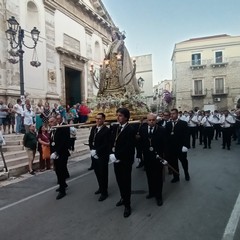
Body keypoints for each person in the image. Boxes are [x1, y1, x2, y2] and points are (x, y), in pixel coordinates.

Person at [110, 108, 135, 218]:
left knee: (126, 182)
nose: (118, 117)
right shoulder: (116, 128)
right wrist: (111, 153)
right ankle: (122, 197)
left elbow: (128, 147)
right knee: (119, 181)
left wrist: (117, 155)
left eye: (120, 115)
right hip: (116, 160)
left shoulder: (130, 129)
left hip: (125, 160)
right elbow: (112, 141)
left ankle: (127, 205)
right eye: (117, 115)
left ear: (126, 117)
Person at [98, 28, 140, 96]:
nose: (113, 36)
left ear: (117, 35)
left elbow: (121, 51)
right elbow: (109, 54)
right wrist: (106, 57)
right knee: (109, 75)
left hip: (118, 62)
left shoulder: (120, 42)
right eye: (112, 34)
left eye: (114, 34)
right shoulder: (111, 45)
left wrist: (120, 48)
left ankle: (122, 86)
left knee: (118, 74)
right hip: (111, 63)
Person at [139, 113, 165, 206]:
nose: (151, 122)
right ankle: (151, 192)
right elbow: (141, 143)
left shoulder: (161, 130)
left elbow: (165, 144)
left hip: (158, 157)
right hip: (147, 157)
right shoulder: (142, 129)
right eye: (149, 120)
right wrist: (140, 156)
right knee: (149, 176)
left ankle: (159, 196)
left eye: (153, 120)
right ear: (147, 120)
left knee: (158, 177)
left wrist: (163, 157)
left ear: (156, 120)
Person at [89, 113, 110, 202]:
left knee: (103, 174)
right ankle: (100, 187)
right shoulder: (94, 128)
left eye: (100, 119)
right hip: (94, 154)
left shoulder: (106, 130)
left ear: (104, 120)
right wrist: (92, 150)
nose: (98, 120)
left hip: (102, 155)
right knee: (97, 172)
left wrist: (97, 151)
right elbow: (90, 139)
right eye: (97, 119)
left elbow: (106, 144)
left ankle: (104, 192)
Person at [165, 108, 190, 183]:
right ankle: (176, 176)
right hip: (172, 148)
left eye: (174, 113)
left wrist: (186, 146)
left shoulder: (183, 123)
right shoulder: (168, 124)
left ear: (177, 114)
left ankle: (186, 173)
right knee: (173, 163)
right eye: (171, 114)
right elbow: (166, 136)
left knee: (184, 161)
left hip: (181, 147)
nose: (172, 115)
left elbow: (186, 136)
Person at [49, 115, 70, 200]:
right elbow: (52, 143)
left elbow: (63, 142)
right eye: (49, 122)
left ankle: (62, 190)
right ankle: (63, 184)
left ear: (56, 121)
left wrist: (57, 152)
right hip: (55, 154)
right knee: (57, 170)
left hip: (62, 153)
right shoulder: (52, 130)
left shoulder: (61, 128)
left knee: (61, 171)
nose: (50, 123)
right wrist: (52, 153)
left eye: (52, 121)